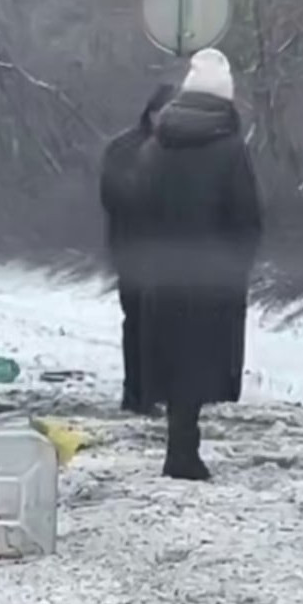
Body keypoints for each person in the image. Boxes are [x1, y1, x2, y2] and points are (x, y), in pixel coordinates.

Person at [135, 48, 263, 481]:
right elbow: (246, 216)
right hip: (210, 273)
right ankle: (183, 453)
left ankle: (181, 446)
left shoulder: (157, 145)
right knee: (199, 356)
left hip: (162, 270)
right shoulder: (229, 149)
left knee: (174, 356)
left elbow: (137, 206)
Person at [99, 83, 177, 415]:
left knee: (165, 324)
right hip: (134, 248)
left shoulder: (179, 149)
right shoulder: (125, 148)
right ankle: (137, 393)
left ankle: (158, 390)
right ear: (152, 112)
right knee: (139, 322)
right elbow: (113, 196)